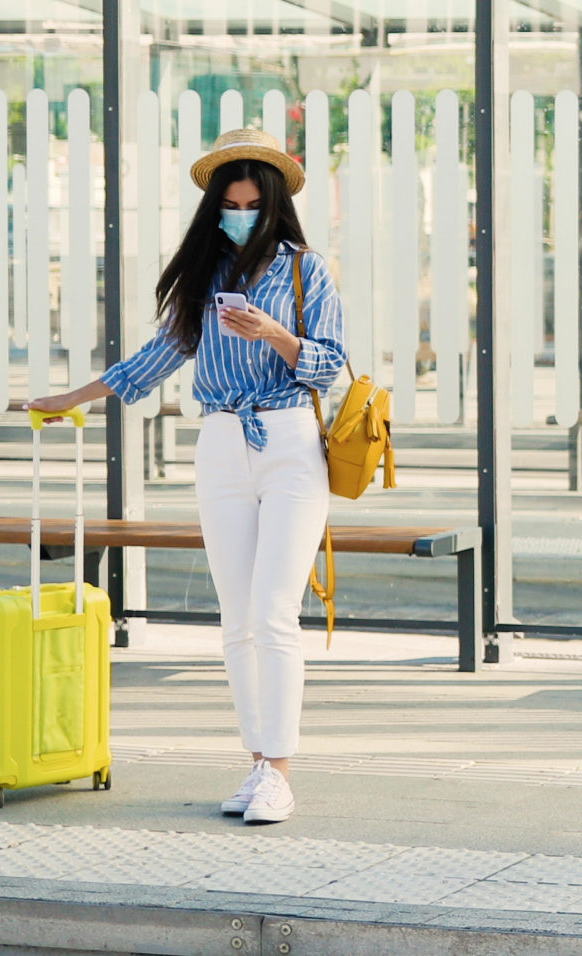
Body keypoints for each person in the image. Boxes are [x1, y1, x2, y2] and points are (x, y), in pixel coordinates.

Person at [27, 128, 346, 826]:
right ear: (214, 207)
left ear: (274, 205)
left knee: (271, 613)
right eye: (229, 204)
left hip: (290, 440)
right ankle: (258, 763)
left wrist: (275, 334)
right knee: (235, 619)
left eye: (252, 204)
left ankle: (281, 771)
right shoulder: (205, 276)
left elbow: (329, 366)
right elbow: (156, 357)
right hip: (222, 441)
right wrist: (69, 398)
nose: (240, 215)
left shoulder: (305, 271)